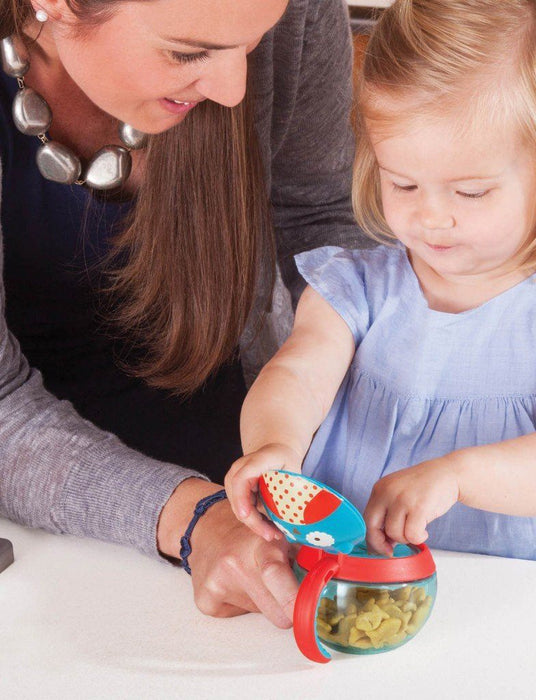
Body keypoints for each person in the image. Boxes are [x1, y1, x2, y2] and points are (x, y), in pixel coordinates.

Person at [225, 0, 536, 577]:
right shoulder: (354, 290)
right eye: (403, 183)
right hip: (373, 571)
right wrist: (274, 444)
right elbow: (295, 373)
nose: (432, 217)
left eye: (470, 192)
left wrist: (458, 475)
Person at [0, 0, 369, 626]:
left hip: (240, 488)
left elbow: (321, 221)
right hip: (37, 527)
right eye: (188, 53)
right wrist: (195, 520)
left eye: (253, 42)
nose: (235, 92)